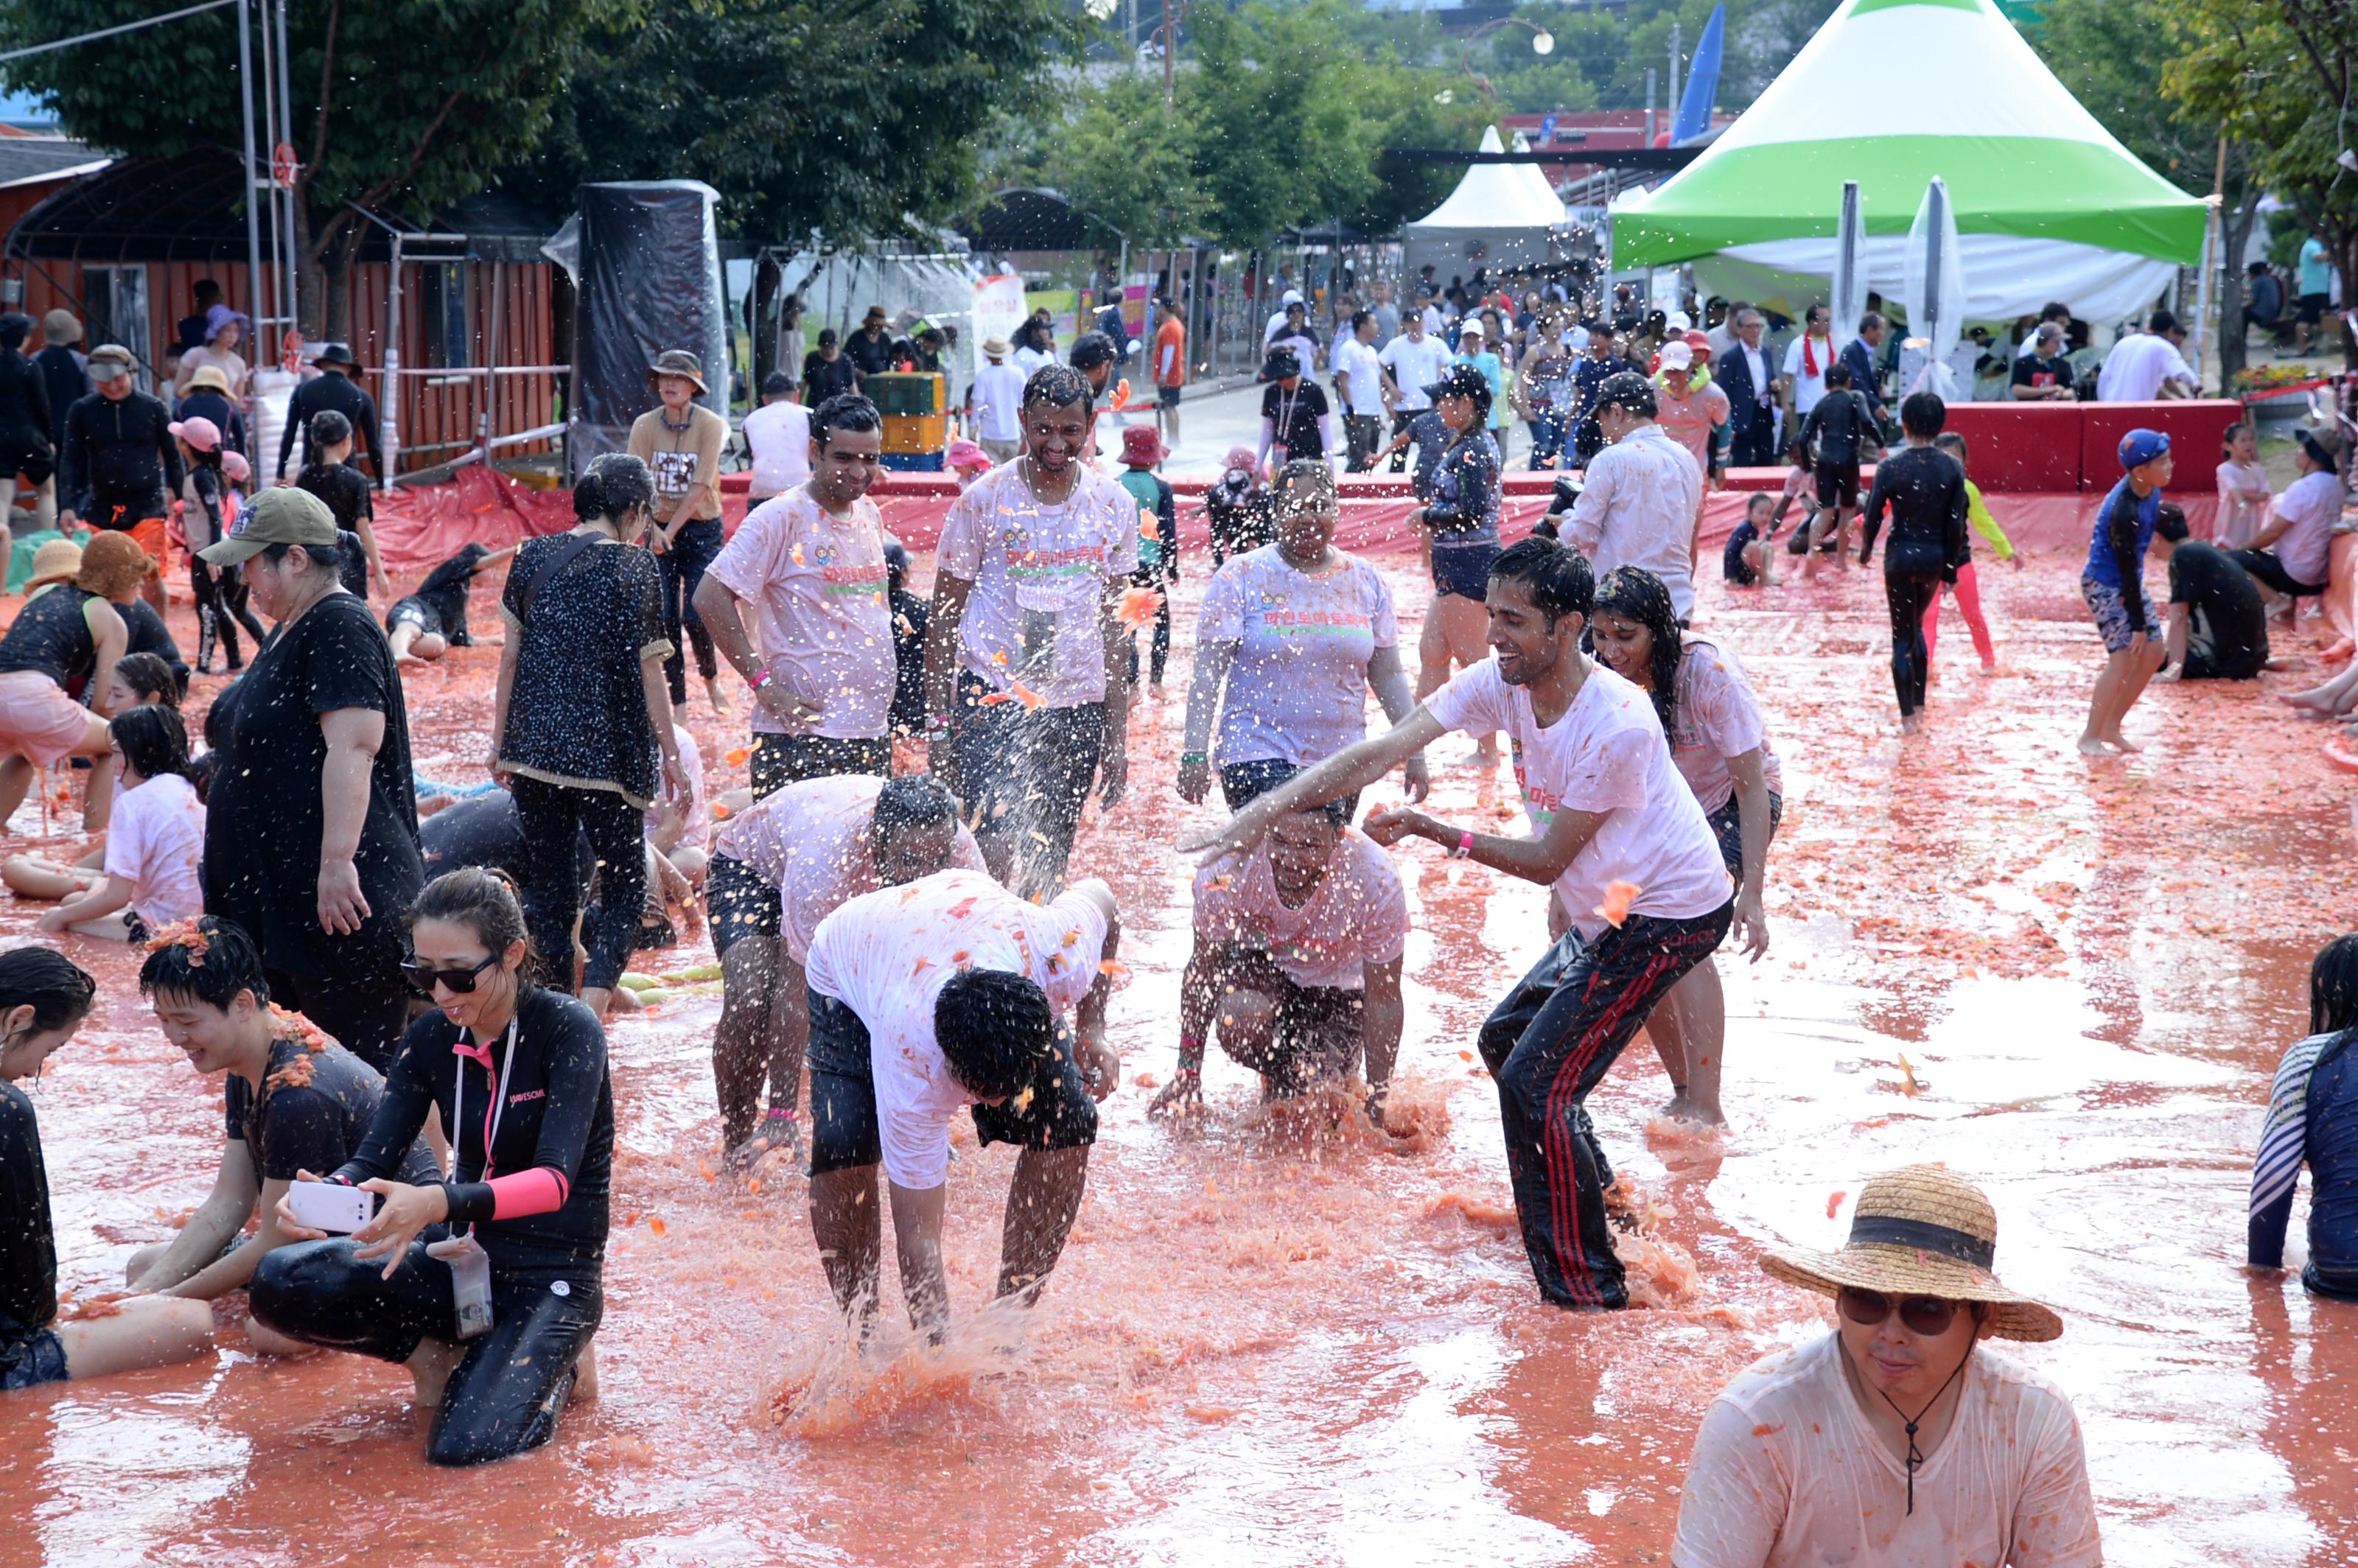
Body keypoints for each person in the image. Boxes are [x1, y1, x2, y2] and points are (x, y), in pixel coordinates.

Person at [1189, 538, 1731, 1310]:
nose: (1494, 636)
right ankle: (1604, 1206)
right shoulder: (1498, 682)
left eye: (1513, 621)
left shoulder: (1620, 721)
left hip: (1663, 914)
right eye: (1491, 616)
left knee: (1535, 1081)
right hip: (1611, 900)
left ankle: (1584, 1291)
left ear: (1568, 625)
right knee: (1508, 1042)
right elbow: (1379, 749)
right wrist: (1265, 809)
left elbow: (1546, 859)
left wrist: (1437, 831)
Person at [252, 868, 613, 1466]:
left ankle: (560, 1367)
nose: (441, 993)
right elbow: (372, 1159)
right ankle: (435, 1356)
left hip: (552, 1273)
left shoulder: (568, 1029)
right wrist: (330, 1193)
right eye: (423, 973)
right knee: (280, 1279)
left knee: (464, 1452)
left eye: (458, 975)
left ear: (514, 955)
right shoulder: (429, 1039)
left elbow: (553, 1183)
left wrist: (439, 1201)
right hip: (461, 1259)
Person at [1672, 1165, 2097, 1567]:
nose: (1891, 1333)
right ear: (1839, 1299)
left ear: (1985, 1319)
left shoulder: (2034, 1422)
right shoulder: (1757, 1419)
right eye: (1867, 1300)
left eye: (1926, 1309)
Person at [803, 862, 1119, 1337]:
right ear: (948, 1064)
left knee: (1070, 1117)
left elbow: (1103, 896)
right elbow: (918, 1233)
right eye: (982, 1095)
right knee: (844, 1142)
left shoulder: (1057, 954)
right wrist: (939, 1353)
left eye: (1008, 1092)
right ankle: (860, 1334)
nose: (993, 1107)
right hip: (850, 960)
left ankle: (1009, 1322)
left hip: (979, 923)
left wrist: (1094, 1029)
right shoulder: (911, 1053)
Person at [126, 918, 441, 1345]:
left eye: (187, 1021)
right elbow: (230, 1201)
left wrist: (165, 1301)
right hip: (322, 1235)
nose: (175, 1037)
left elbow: (273, 1238)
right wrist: (140, 1295)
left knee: (269, 1332)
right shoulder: (249, 1056)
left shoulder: (298, 1091)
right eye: (164, 1020)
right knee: (142, 1266)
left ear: (241, 1004)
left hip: (391, 1250)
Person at [198, 488, 422, 1068]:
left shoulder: (338, 625)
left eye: (252, 563)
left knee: (354, 1086)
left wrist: (335, 862)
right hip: (289, 912)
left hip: (338, 911)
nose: (245, 580)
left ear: (295, 559)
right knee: (287, 1087)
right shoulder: (291, 626)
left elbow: (354, 745)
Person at [924, 365, 1136, 897]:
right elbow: (944, 616)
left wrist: (1117, 732)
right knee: (989, 842)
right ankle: (984, 963)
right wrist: (938, 727)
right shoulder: (984, 500)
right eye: (1043, 429)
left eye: (1070, 431)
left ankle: (1031, 967)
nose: (1056, 444)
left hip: (1076, 702)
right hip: (993, 696)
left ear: (1091, 426)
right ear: (1022, 421)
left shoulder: (1114, 504)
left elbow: (1118, 627)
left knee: (1050, 849)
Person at [493, 453, 686, 1018]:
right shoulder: (635, 568)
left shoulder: (530, 555)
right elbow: (653, 673)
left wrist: (499, 743)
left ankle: (553, 1015)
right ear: (636, 512)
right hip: (609, 759)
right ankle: (592, 1013)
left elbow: (509, 662)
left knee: (552, 897)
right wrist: (672, 757)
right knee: (625, 893)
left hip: (533, 755)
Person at [707, 773, 984, 1165]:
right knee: (750, 999)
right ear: (875, 841)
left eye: (935, 862)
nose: (923, 879)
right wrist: (782, 1114)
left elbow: (959, 973)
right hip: (753, 871)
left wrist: (925, 1123)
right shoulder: (827, 864)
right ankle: (738, 1143)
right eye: (908, 862)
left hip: (822, 858)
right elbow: (798, 994)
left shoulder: (961, 858)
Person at [1587, 566, 1777, 1127]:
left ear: (1661, 632)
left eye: (1626, 637)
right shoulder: (1598, 675)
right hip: (1659, 814)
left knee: (1682, 938)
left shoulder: (1710, 673)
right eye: (1601, 635)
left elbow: (1753, 786)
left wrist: (1754, 895)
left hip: (1727, 809)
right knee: (1622, 934)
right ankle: (1681, 1085)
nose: (1611, 651)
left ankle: (1707, 1104)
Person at [0, 946, 215, 1390]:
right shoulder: (7, 1109)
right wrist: (53, 1319)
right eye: (50, 1048)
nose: (36, 1068)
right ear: (18, 1020)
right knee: (192, 1323)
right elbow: (27, 1281)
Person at [1181, 458, 1427, 820]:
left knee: (1320, 866)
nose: (1307, 518)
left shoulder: (1366, 581)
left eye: (1320, 507)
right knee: (1284, 854)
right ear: (1276, 513)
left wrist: (1414, 751)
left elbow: (1389, 675)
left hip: (1341, 759)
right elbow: (1206, 674)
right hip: (1255, 752)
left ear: (1337, 511)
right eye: (1294, 508)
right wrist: (1194, 752)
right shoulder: (1241, 576)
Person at [1151, 800, 1405, 1116]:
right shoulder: (1228, 866)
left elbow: (1385, 998)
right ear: (1265, 830)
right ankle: (1283, 1079)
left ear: (1338, 837)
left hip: (1339, 987)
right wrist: (1187, 1071)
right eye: (1280, 841)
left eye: (1309, 846)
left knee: (1326, 1100)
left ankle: (1296, 1083)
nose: (1290, 860)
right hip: (1262, 967)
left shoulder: (1374, 877)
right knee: (1239, 1020)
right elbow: (1203, 969)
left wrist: (1376, 1106)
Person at [696, 391, 893, 794]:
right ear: (815, 451)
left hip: (869, 731)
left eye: (870, 458)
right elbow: (708, 595)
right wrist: (763, 684)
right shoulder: (779, 516)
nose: (859, 471)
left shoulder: (869, 513)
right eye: (844, 458)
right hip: (800, 736)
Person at [0, 530, 137, 829]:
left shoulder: (44, 592)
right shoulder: (113, 621)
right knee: (118, 741)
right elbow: (104, 704)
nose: (141, 586)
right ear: (121, 579)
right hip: (33, 695)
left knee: (26, 750)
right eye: (138, 577)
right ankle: (93, 836)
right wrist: (91, 740)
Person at [2250, 935, 2358, 1298]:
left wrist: (2261, 1270)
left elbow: (2275, 1174)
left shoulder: (2307, 1058)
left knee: (2291, 1248)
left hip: (2344, 1269)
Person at [36, 706, 202, 939]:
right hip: (205, 917)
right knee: (73, 901)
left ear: (143, 752)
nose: (111, 762)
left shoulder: (133, 802)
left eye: (116, 752)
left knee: (56, 917)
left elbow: (117, 897)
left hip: (166, 928)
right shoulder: (191, 787)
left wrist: (60, 917)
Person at [1858, 393, 1968, 735]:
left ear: (1904, 426)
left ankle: (1907, 720)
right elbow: (1955, 523)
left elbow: (1874, 515)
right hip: (1934, 559)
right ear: (1940, 427)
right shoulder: (1952, 467)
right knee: (1917, 627)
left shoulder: (1890, 466)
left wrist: (1863, 552)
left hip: (1900, 557)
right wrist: (1950, 569)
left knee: (1901, 636)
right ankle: (1919, 707)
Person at [628, 349, 730, 715]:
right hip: (656, 531)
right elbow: (636, 481)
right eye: (664, 377)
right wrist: (653, 530)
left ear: (693, 385)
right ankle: (680, 705)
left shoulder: (710, 425)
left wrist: (667, 530)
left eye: (678, 378)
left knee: (696, 613)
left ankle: (711, 679)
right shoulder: (644, 425)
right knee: (665, 617)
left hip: (701, 528)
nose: (670, 384)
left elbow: (701, 485)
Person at [1413, 365, 1506, 760]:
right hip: (1456, 564)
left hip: (1469, 563)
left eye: (1444, 400)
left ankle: (1488, 751)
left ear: (1466, 404)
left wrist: (1427, 517)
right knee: (1432, 651)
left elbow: (1471, 511)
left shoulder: (1473, 448)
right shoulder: (1467, 442)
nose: (1438, 407)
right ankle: (1410, 744)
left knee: (1472, 661)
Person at [1564, 371, 1704, 624]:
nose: (1602, 428)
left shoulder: (1610, 459)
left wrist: (1563, 523)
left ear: (1616, 411)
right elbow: (1692, 537)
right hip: (1675, 605)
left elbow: (1582, 533)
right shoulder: (1687, 459)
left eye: (1602, 419)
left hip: (1621, 609)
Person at [2075, 428, 2174, 756]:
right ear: (2139, 472)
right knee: (2122, 658)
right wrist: (2137, 625)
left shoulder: (2151, 489)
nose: (2170, 466)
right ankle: (2089, 736)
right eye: (2162, 462)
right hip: (2105, 584)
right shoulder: (2124, 511)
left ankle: (2111, 726)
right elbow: (2127, 566)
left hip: (2127, 581)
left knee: (2155, 652)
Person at [60, 343, 182, 603]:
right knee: (107, 582)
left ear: (131, 372)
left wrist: (177, 494)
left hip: (147, 503)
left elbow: (173, 455)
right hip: (102, 506)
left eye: (118, 379)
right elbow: (70, 460)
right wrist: (67, 505)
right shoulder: (82, 410)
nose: (112, 386)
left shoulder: (153, 408)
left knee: (149, 577)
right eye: (104, 381)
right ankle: (112, 637)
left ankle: (156, 639)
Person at [174, 411, 263, 673]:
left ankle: (204, 664)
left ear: (187, 446)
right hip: (207, 551)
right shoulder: (201, 475)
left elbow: (214, 518)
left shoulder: (202, 476)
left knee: (209, 610)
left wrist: (212, 556)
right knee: (220, 608)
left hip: (211, 554)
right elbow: (201, 519)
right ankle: (235, 659)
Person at [2150, 506, 2273, 682]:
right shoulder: (2203, 549)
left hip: (2228, 666)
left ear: (2155, 538)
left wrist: (2171, 671)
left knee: (2145, 661)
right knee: (2159, 655)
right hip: (2252, 660)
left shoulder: (2182, 557)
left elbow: (2179, 619)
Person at [2233, 424, 2343, 614]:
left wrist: (2243, 548)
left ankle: (2276, 601)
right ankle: (2286, 606)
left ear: (2312, 454)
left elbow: (2273, 533)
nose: (2296, 452)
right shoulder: (2336, 486)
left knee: (2230, 560)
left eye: (2300, 448)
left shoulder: (2303, 488)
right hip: (2318, 577)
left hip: (2296, 576)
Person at [293, 410, 393, 602]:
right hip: (348, 561)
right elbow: (363, 528)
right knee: (349, 616)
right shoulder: (356, 480)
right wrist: (379, 571)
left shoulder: (305, 476)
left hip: (315, 561)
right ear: (347, 441)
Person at [1116, 424, 1179, 688]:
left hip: (1125, 568)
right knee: (1162, 624)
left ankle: (1132, 684)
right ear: (1154, 457)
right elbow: (1168, 530)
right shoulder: (1161, 488)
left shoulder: (1116, 485)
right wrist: (1173, 567)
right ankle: (1156, 682)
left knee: (1128, 626)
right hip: (1151, 568)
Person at [386, 542, 509, 665]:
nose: (492, 575)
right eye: (491, 569)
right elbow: (485, 562)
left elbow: (461, 638)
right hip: (416, 608)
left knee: (437, 644)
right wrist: (518, 549)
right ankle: (399, 652)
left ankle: (394, 648)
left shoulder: (460, 594)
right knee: (413, 627)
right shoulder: (454, 567)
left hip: (430, 626)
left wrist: (490, 640)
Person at [278, 343, 382, 480]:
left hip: (311, 471)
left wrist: (280, 473)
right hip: (347, 473)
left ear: (323, 365)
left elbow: (289, 434)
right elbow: (373, 445)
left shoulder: (303, 391)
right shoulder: (361, 397)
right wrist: (381, 483)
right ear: (348, 368)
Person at [0, 312, 52, 547]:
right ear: (23, 338)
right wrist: (48, 437)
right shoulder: (31, 367)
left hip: (1, 438)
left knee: (2, 499)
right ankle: (48, 545)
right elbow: (42, 407)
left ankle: (1, 547)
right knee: (46, 491)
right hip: (30, 436)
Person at [1652, 340, 1729, 497]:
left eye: (1678, 371)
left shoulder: (1712, 394)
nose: (1673, 377)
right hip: (1659, 472)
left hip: (1696, 472)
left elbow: (1724, 426)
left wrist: (1721, 466)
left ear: (1690, 368)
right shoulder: (1651, 391)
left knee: (1693, 520)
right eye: (1669, 370)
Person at [1379, 310, 1451, 475]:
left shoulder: (1435, 344)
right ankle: (1395, 488)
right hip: (1404, 406)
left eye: (1418, 322)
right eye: (1410, 322)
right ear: (1404, 325)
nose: (1414, 326)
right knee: (1399, 453)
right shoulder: (1396, 345)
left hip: (1429, 406)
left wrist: (1441, 386)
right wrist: (1392, 388)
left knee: (1432, 452)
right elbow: (1380, 364)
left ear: (1424, 323)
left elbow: (1450, 364)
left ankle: (1432, 484)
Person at [1714, 308, 1780, 467]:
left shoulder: (1765, 352)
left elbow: (1767, 378)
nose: (1755, 330)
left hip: (1763, 409)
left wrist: (1774, 385)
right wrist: (1727, 422)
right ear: (1739, 329)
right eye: (1750, 326)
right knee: (1741, 460)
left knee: (1766, 457)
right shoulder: (1731, 357)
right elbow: (1723, 392)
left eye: (1758, 326)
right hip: (1741, 413)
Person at [1256, 346, 1334, 472]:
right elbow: (1267, 431)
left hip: (1311, 458)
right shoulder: (1271, 392)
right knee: (1278, 490)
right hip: (1280, 459)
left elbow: (1325, 430)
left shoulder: (1314, 391)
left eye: (1282, 377)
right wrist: (1258, 467)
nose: (1280, 382)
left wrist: (1330, 463)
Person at [2096, 311, 2198, 402]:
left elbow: (2104, 376)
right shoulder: (2163, 346)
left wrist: (2104, 403)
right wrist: (2194, 385)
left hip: (2110, 407)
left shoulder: (2124, 342)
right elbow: (2183, 373)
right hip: (2136, 410)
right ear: (2170, 330)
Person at [741, 371, 811, 504]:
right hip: (799, 491)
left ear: (765, 399)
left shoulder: (749, 420)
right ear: (797, 396)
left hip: (761, 492)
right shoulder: (810, 416)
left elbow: (753, 455)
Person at [1331, 310, 1386, 473]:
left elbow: (1377, 381)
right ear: (1363, 327)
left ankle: (1365, 492)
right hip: (1357, 411)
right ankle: (1348, 491)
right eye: (1374, 323)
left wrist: (1387, 405)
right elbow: (1342, 379)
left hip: (1373, 411)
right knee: (1358, 457)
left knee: (1371, 458)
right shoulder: (1348, 349)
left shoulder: (1371, 351)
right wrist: (1349, 407)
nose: (1377, 327)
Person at [34, 310, 87, 473]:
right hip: (76, 429)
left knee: (50, 480)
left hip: (43, 431)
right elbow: (91, 394)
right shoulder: (81, 361)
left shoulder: (34, 360)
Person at [1203, 447, 1276, 566]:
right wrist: (1219, 563)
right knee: (1233, 537)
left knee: (1267, 534)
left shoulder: (1263, 493)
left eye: (1239, 503)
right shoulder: (1216, 494)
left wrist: (1267, 562)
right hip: (1234, 520)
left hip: (1257, 516)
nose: (1237, 507)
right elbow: (1216, 530)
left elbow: (1268, 528)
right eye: (1233, 504)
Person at [172, 304, 248, 402]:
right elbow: (178, 390)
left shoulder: (238, 363)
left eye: (236, 331)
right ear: (216, 331)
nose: (233, 336)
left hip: (225, 413)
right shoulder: (195, 355)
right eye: (228, 330)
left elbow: (237, 401)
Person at [2215, 421, 2273, 550]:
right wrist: (2242, 503)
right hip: (2231, 518)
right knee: (2228, 548)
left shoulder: (2257, 469)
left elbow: (2265, 495)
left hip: (2251, 519)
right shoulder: (2225, 469)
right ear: (2228, 446)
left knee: (2248, 547)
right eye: (2243, 440)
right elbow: (2233, 489)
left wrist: (2245, 496)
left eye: (2251, 439)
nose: (2249, 444)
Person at [970, 335, 1026, 466]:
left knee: (992, 477)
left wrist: (973, 424)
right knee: (1014, 475)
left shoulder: (983, 376)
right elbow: (1024, 400)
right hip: (1013, 433)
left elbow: (978, 402)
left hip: (990, 433)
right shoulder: (1017, 373)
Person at [1779, 304, 1835, 420]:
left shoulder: (1833, 342)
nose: (1829, 324)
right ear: (1812, 323)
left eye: (1829, 320)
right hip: (1807, 406)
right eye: (1825, 321)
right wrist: (1785, 404)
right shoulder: (1798, 344)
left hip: (1830, 404)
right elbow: (1788, 375)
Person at [1721, 492, 1780, 589]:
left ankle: (1767, 574)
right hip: (1739, 574)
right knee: (1753, 546)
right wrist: (1732, 578)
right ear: (1750, 512)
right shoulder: (1745, 528)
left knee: (1767, 546)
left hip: (1746, 569)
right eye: (1761, 512)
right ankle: (1764, 577)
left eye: (1769, 513)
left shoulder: (1753, 528)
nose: (1765, 517)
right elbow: (1730, 551)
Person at [1152, 297, 1187, 447]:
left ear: (1164, 309)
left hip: (1170, 375)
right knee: (1170, 407)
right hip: (1175, 373)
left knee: (1169, 407)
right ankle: (1174, 438)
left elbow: (1168, 351)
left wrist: (1164, 373)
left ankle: (1173, 439)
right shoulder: (1176, 324)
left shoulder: (1169, 328)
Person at [2009, 322, 2075, 401]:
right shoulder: (2023, 363)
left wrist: (2059, 394)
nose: (2059, 345)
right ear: (2042, 341)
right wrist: (2048, 390)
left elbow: (2071, 391)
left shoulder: (2062, 364)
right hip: (2029, 410)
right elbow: (2017, 390)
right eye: (2055, 341)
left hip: (2055, 410)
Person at [1841, 312, 1888, 421]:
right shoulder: (1852, 351)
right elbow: (1857, 382)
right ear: (1870, 330)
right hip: (1857, 409)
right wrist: (1875, 404)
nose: (1883, 334)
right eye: (1881, 330)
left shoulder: (1867, 351)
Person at [2295, 234, 2333, 356]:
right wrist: (2334, 249)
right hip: (2313, 289)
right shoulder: (2312, 245)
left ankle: (2313, 346)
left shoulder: (2313, 245)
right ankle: (2302, 349)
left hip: (2317, 288)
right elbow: (2318, 257)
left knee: (2317, 319)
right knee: (2306, 319)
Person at [802, 329, 858, 405]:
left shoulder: (845, 360)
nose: (829, 351)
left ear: (837, 346)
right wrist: (796, 404)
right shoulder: (812, 358)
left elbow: (852, 385)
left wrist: (858, 404)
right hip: (816, 405)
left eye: (832, 348)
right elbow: (805, 383)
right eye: (825, 348)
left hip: (838, 408)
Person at [847, 304, 895, 385]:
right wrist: (858, 372)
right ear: (870, 323)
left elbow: (892, 359)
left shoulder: (885, 339)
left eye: (881, 326)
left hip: (882, 384)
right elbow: (846, 361)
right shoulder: (856, 338)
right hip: (862, 384)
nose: (879, 328)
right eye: (876, 325)